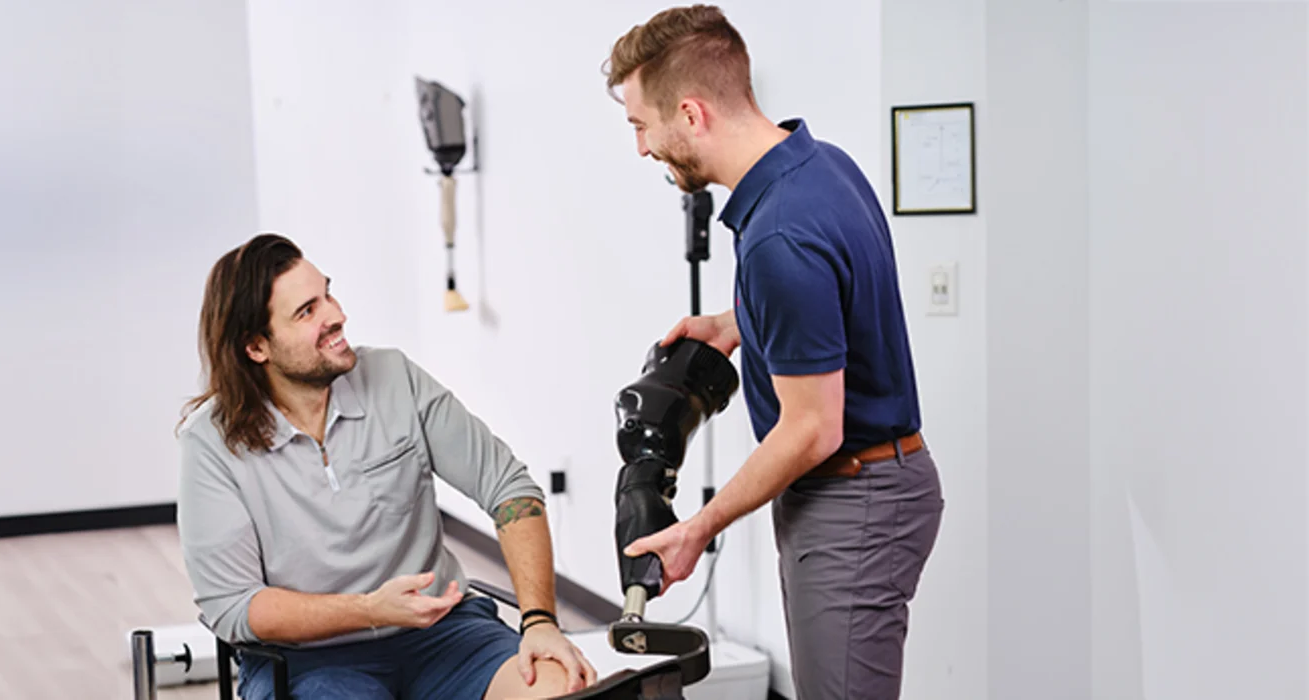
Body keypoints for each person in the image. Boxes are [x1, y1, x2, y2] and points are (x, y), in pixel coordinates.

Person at [604, 6, 944, 700]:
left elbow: (813, 427)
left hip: (855, 501)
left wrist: (699, 527)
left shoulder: (777, 240)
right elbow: (837, 299)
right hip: (869, 486)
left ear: (692, 114)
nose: (640, 148)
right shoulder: (819, 167)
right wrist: (738, 323)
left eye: (642, 125)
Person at [175, 233, 597, 699]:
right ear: (257, 348)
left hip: (445, 635)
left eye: (327, 294)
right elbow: (234, 607)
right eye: (307, 311)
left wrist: (539, 622)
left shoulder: (393, 377)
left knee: (560, 688)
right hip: (307, 662)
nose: (336, 316)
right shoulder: (210, 443)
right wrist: (372, 610)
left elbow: (509, 487)